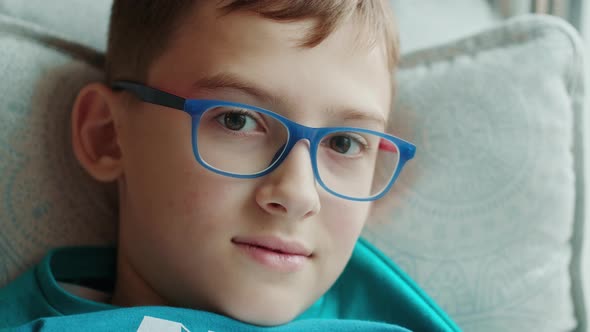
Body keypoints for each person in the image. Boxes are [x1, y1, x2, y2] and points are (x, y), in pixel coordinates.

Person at [0, 1, 459, 331]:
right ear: (108, 136)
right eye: (237, 121)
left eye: (344, 142)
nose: (298, 194)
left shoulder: (390, 311)